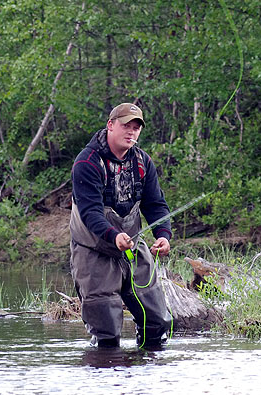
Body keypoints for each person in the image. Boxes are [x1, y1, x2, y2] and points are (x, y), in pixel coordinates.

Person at [69, 102, 173, 348]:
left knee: (157, 324)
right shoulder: (87, 163)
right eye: (126, 125)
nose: (132, 132)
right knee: (107, 335)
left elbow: (156, 205)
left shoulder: (143, 162)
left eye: (136, 128)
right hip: (94, 252)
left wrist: (163, 235)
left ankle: (146, 378)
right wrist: (114, 235)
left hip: (133, 249)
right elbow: (91, 213)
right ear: (110, 125)